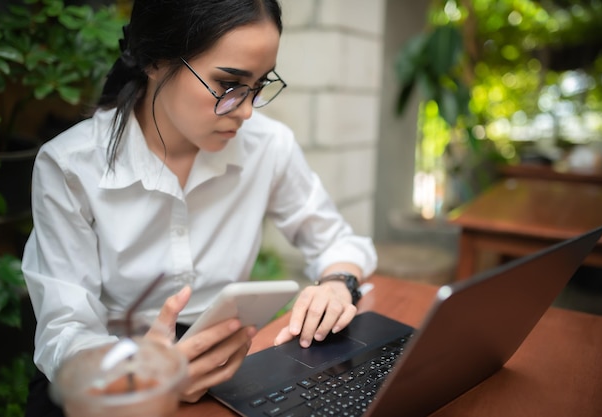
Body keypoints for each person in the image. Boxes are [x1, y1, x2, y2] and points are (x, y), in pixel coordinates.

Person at [22, 0, 377, 415]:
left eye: (260, 85)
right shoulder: (72, 165)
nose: (245, 110)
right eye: (228, 85)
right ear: (155, 59)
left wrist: (337, 283)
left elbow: (336, 242)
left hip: (224, 373)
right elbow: (65, 330)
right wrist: (146, 373)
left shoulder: (268, 146)